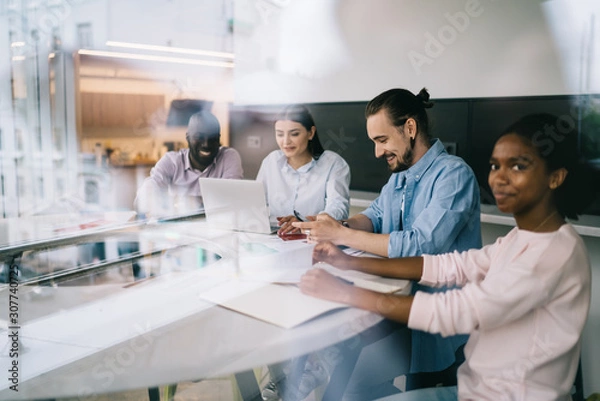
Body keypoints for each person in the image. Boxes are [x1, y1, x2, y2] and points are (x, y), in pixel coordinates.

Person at [301, 113, 595, 400]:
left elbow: (453, 308)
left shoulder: (553, 253)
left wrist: (346, 292)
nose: (499, 178)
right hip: (471, 388)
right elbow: (448, 265)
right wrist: (348, 261)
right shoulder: (521, 238)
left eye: (518, 166)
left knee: (351, 384)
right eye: (495, 166)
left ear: (555, 177)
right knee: (353, 387)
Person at [289, 88, 481, 400]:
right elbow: (375, 215)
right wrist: (337, 225)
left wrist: (342, 235)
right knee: (348, 388)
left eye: (382, 140)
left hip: (438, 327)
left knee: (363, 388)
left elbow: (421, 245)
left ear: (410, 128)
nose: (378, 152)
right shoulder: (399, 178)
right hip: (395, 313)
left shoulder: (454, 175)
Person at [256, 104, 350, 235]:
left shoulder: (333, 164)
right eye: (280, 134)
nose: (286, 141)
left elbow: (338, 208)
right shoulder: (271, 161)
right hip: (274, 236)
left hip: (313, 237)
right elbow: (256, 204)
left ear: (310, 133)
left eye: (294, 134)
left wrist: (303, 222)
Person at [134, 110, 243, 217]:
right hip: (179, 230)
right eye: (199, 137)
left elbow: (233, 199)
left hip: (217, 228)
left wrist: (179, 203)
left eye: (212, 138)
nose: (206, 144)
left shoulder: (228, 157)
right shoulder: (172, 161)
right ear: (188, 138)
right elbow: (143, 199)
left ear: (219, 139)